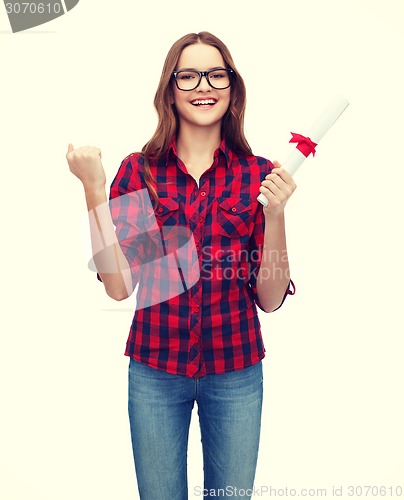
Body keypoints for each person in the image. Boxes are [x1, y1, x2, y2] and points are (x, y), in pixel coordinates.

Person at [66, 31, 296, 500]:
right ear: (170, 89)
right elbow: (118, 286)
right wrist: (93, 188)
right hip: (155, 370)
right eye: (188, 75)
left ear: (232, 87)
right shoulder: (140, 170)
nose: (203, 85)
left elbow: (270, 300)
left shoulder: (258, 174)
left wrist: (275, 215)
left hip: (236, 371)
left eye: (216, 74)